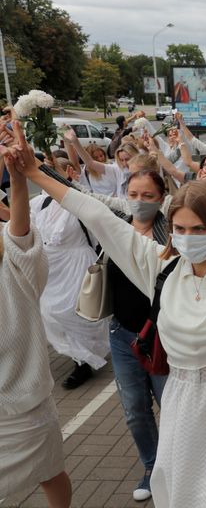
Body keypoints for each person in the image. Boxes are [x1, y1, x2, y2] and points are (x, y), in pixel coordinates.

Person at [13, 131, 206, 507]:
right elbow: (94, 212)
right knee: (181, 494)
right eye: (179, 229)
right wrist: (34, 172)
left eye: (199, 229)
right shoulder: (160, 268)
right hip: (179, 408)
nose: (187, 237)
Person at [0, 134, 72, 508]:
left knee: (49, 470)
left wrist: (17, 179)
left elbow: (21, 234)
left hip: (21, 398)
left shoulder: (11, 252)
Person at [30, 156, 110, 389]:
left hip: (77, 263)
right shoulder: (39, 203)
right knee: (51, 312)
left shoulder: (81, 200)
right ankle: (79, 355)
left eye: (51, 172)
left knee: (79, 313)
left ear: (68, 173)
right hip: (51, 266)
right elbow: (29, 229)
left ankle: (83, 362)